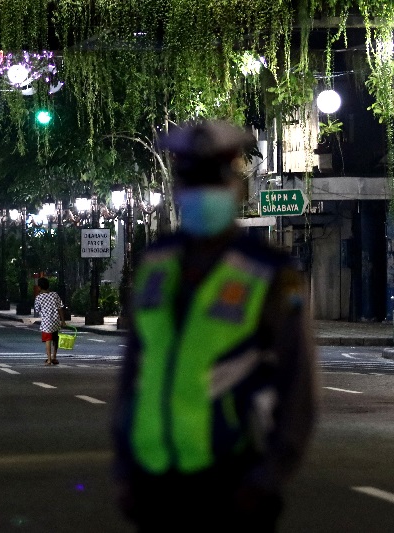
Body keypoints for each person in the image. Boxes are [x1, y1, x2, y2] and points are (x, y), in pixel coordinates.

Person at [112, 120, 318, 533]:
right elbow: (135, 371)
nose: (202, 193)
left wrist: (266, 479)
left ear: (236, 188)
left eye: (214, 179)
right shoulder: (156, 263)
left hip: (232, 482)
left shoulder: (271, 272)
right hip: (154, 481)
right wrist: (125, 466)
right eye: (191, 180)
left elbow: (298, 387)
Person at [33, 277, 66, 365]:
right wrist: (63, 321)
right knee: (55, 338)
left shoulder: (39, 297)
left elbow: (37, 309)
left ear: (39, 287)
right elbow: (60, 308)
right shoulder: (55, 295)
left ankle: (49, 359)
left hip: (46, 322)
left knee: (48, 340)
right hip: (55, 320)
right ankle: (54, 357)